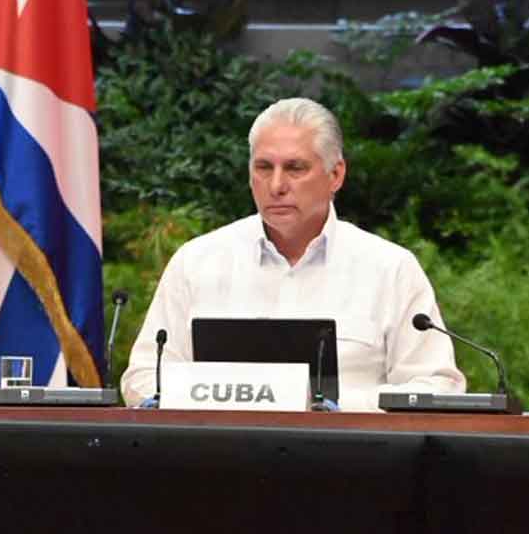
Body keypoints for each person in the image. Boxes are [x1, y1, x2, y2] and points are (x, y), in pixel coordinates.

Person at [120, 97, 465, 411]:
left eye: (295, 168)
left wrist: (330, 405)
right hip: (220, 462)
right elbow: (143, 377)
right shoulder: (197, 262)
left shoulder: (389, 269)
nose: (276, 186)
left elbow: (437, 386)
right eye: (264, 168)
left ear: (336, 175)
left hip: (349, 465)